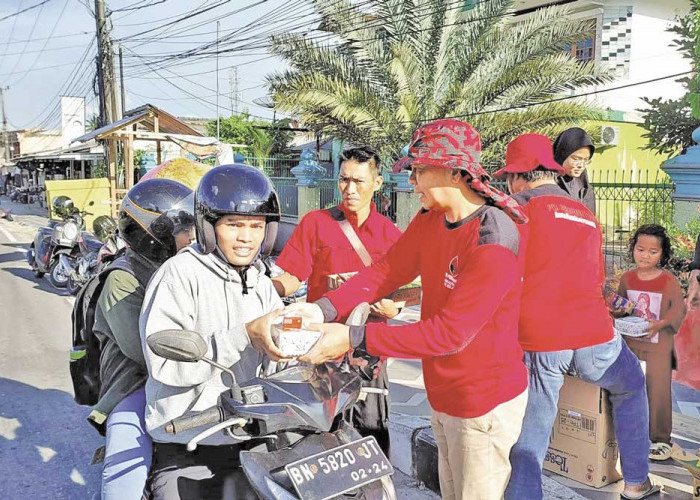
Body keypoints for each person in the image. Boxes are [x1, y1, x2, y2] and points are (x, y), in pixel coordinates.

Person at [284, 119, 530, 500]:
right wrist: (321, 311)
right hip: (445, 394)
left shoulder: (492, 239)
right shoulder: (431, 219)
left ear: (454, 171)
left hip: (483, 403)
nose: (412, 182)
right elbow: (386, 270)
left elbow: (450, 333)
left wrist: (353, 336)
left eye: (419, 171)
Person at [492, 133, 656, 500]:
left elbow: (498, 274)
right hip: (594, 336)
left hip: (540, 339)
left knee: (531, 437)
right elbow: (597, 280)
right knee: (630, 384)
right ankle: (635, 482)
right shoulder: (585, 213)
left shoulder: (513, 209)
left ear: (518, 175)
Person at [139, 164, 288, 500]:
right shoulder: (178, 276)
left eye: (256, 226)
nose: (247, 237)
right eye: (234, 225)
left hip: (249, 436)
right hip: (188, 439)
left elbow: (278, 363)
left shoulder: (262, 283)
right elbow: (165, 365)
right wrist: (245, 335)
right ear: (209, 227)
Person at [271, 146, 402, 455]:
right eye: (344, 180)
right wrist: (257, 288)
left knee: (370, 434)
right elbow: (291, 279)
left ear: (378, 183)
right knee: (319, 434)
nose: (350, 189)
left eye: (359, 181)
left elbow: (405, 293)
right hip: (322, 349)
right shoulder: (315, 223)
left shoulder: (391, 235)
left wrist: (394, 307)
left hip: (368, 353)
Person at [92, 178, 196, 499]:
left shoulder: (188, 266)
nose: (192, 238)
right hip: (136, 379)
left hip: (193, 368)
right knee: (128, 456)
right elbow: (145, 352)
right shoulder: (122, 279)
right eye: (183, 233)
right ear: (155, 237)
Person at [617, 224, 686, 461]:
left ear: (662, 254)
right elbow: (622, 308)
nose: (646, 255)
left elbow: (679, 310)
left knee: (658, 393)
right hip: (631, 346)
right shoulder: (626, 278)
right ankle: (632, 434)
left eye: (653, 251)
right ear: (633, 249)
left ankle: (660, 440)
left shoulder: (668, 280)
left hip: (658, 348)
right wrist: (616, 310)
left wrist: (659, 323)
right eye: (641, 249)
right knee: (630, 390)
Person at [553, 127, 596, 213]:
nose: (581, 165)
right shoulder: (546, 183)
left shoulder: (586, 190)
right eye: (576, 159)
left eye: (585, 160)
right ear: (562, 156)